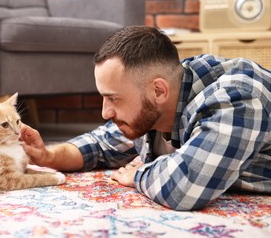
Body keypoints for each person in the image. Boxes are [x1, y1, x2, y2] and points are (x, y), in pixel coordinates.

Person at [20, 25, 271, 211]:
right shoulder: (157, 97)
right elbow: (101, 145)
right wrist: (49, 156)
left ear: (159, 90)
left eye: (115, 99)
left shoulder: (239, 98)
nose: (105, 112)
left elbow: (187, 186)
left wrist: (140, 173)